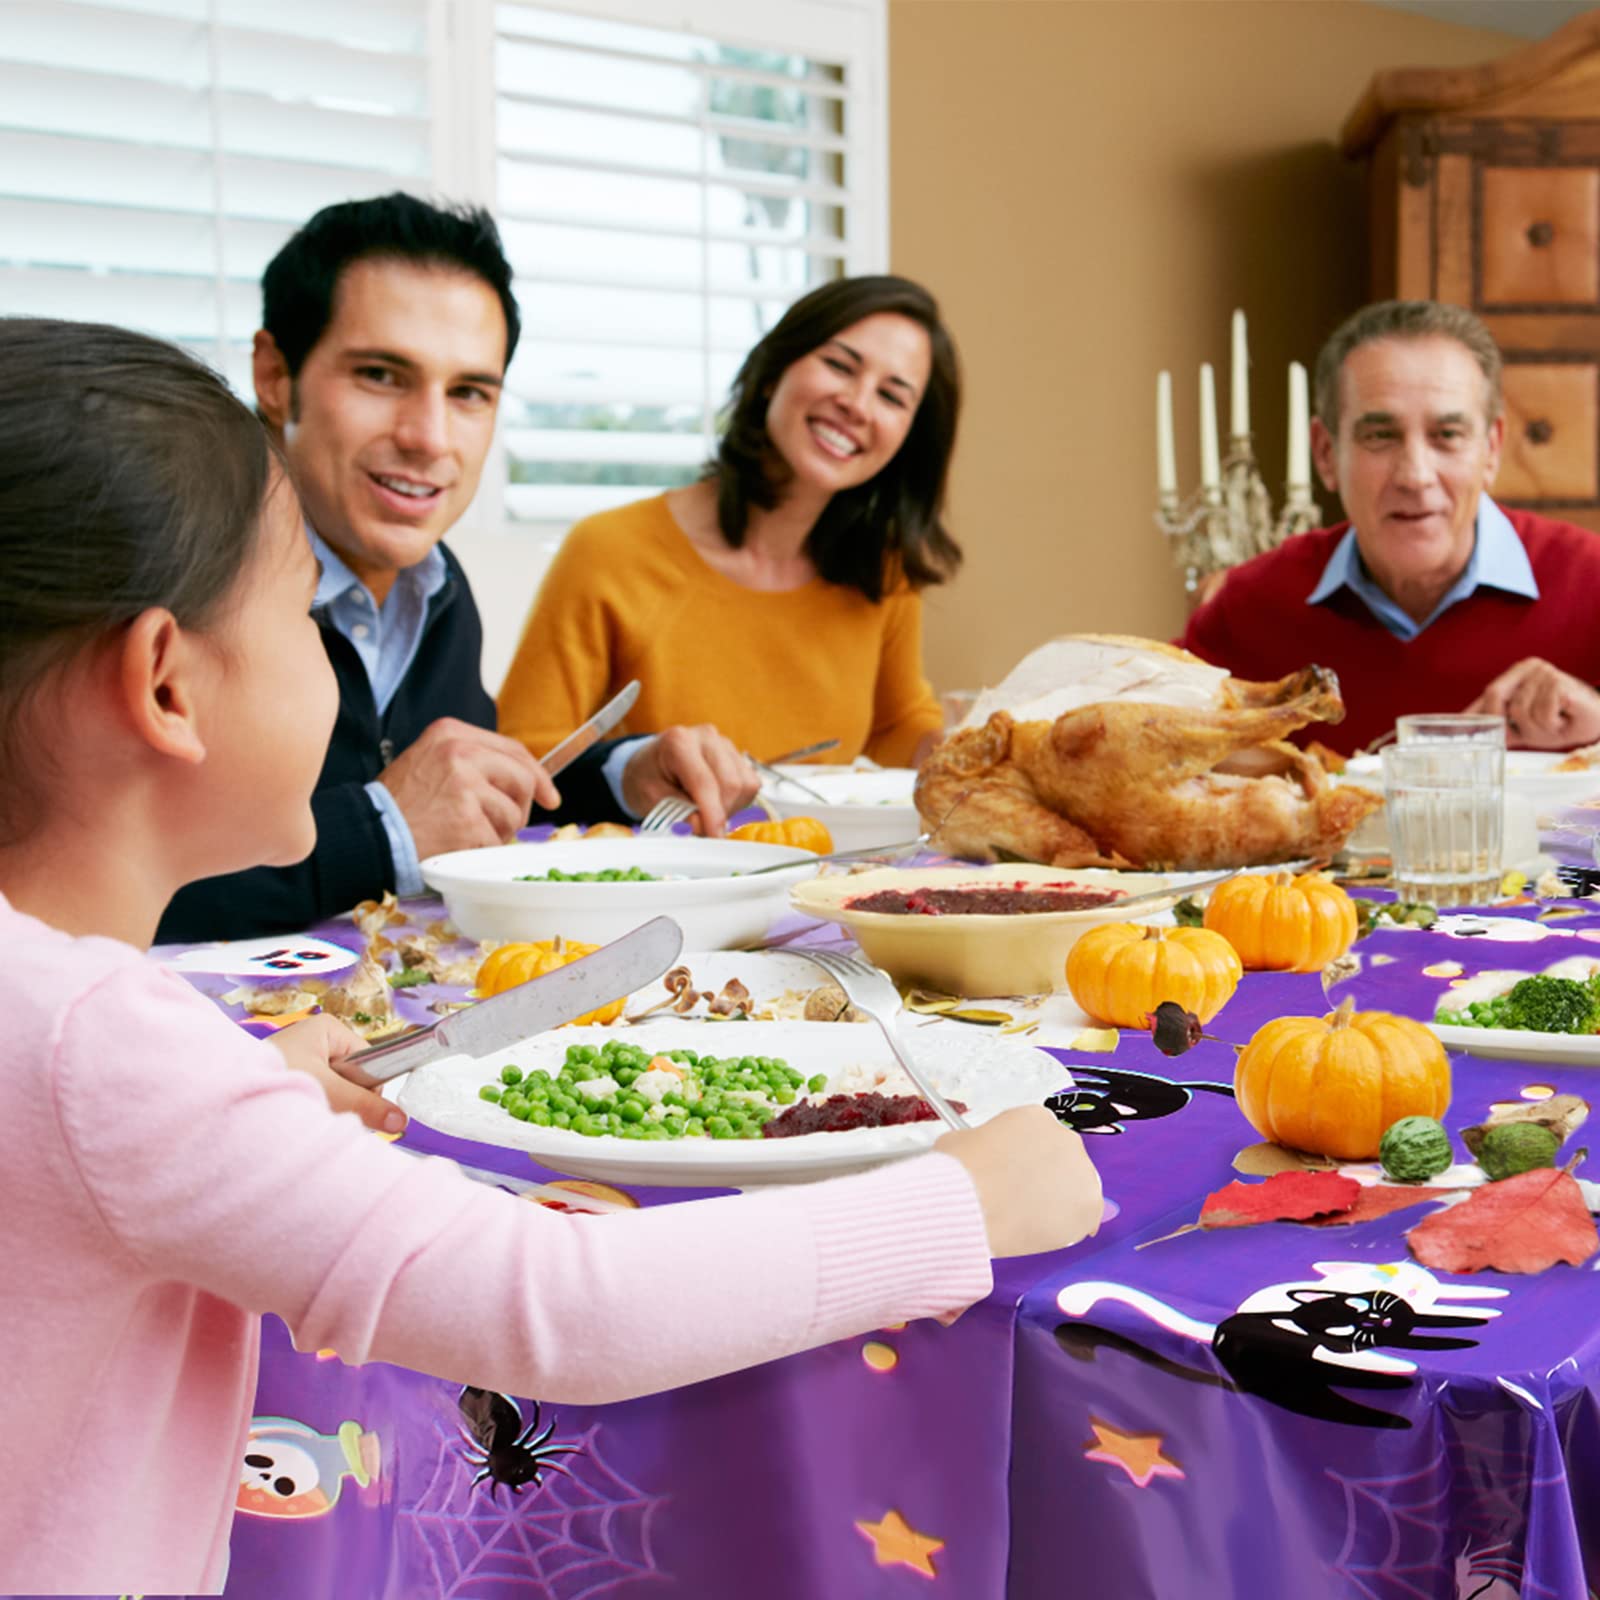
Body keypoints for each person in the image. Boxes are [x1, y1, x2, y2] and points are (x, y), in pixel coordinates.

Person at [0, 318, 1103, 1594]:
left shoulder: (87, 1029)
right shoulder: (107, 1054)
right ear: (167, 687)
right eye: (306, 613)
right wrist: (961, 1202)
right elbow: (558, 1302)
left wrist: (253, 1085)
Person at [158, 195, 758, 944]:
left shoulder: (436, 583)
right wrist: (383, 831)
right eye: (381, 375)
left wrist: (623, 774)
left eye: (469, 392)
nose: (430, 438)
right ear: (276, 375)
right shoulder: (173, 580)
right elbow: (90, 876)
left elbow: (454, 800)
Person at [497, 275, 961, 770]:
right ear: (771, 374)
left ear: (909, 438)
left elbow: (897, 725)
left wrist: (974, 748)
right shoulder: (608, 550)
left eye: (892, 397)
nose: (858, 404)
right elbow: (526, 755)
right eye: (838, 365)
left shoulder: (884, 573)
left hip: (817, 849)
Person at [1179, 299, 1600, 756]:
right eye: (1380, 436)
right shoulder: (1248, 607)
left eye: (1447, 435)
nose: (1415, 475)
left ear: (1492, 449)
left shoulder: (1591, 582)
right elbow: (1133, 744)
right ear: (1325, 453)